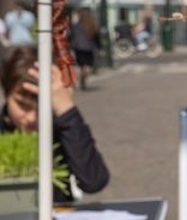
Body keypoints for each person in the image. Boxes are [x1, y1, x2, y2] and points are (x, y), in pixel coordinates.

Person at [1, 46, 110, 202]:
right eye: (22, 105)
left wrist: (67, 111)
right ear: (6, 94)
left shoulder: (60, 128)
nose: (32, 117)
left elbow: (94, 181)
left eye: (41, 107)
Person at [70, 7, 101, 90]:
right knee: (88, 65)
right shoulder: (92, 25)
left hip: (78, 47)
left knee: (80, 65)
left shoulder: (76, 25)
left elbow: (72, 36)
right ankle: (84, 77)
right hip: (89, 48)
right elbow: (97, 37)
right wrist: (99, 47)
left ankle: (81, 77)